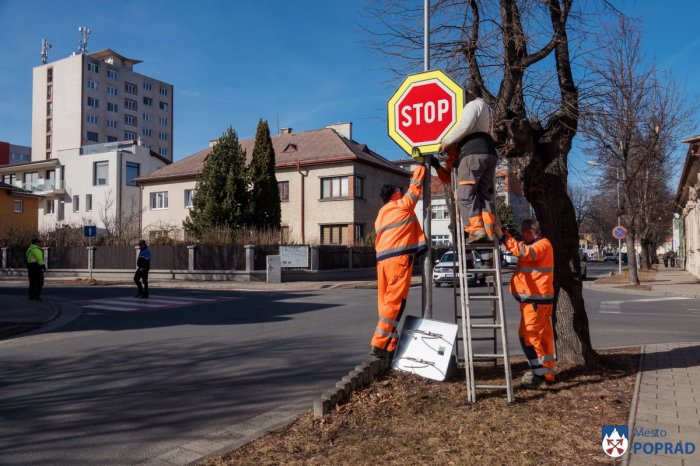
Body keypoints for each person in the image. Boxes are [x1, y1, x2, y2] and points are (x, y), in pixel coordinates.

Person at [370, 164, 427, 360]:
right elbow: (416, 187)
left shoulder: (380, 215)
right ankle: (379, 343)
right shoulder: (402, 205)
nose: (402, 193)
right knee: (395, 303)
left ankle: (390, 343)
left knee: (385, 303)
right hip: (398, 260)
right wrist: (420, 165)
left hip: (382, 262)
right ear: (394, 196)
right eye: (399, 192)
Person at [433, 83, 499, 243]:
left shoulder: (473, 105)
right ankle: (490, 232)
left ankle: (476, 230)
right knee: (485, 195)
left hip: (473, 153)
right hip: (489, 153)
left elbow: (464, 125)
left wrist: (445, 142)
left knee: (464, 194)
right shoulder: (489, 110)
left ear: (469, 93)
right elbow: (449, 176)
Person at [498, 219, 556, 386]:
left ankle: (539, 374)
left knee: (528, 336)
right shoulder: (540, 244)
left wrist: (503, 237)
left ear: (531, 232)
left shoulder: (541, 245)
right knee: (543, 337)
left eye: (524, 233)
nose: (523, 236)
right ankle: (547, 373)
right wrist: (507, 235)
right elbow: (520, 247)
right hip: (538, 299)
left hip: (535, 300)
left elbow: (524, 252)